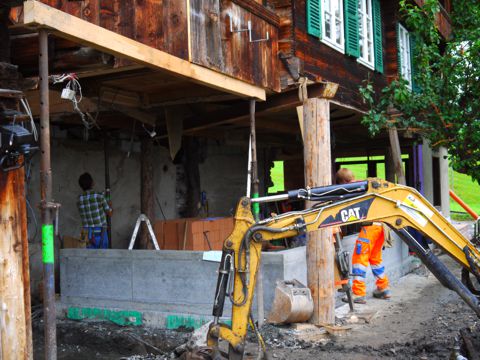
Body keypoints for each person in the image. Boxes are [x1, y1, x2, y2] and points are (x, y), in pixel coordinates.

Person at [336, 168, 391, 304]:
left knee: (359, 259)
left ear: (343, 181)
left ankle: (358, 293)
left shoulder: (352, 189)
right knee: (375, 259)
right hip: (382, 227)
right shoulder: (364, 185)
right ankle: (383, 288)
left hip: (370, 228)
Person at [77, 172, 112, 249]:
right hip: (99, 232)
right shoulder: (99, 196)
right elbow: (109, 213)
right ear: (92, 183)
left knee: (88, 258)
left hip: (85, 233)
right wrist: (110, 205)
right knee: (102, 257)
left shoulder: (79, 200)